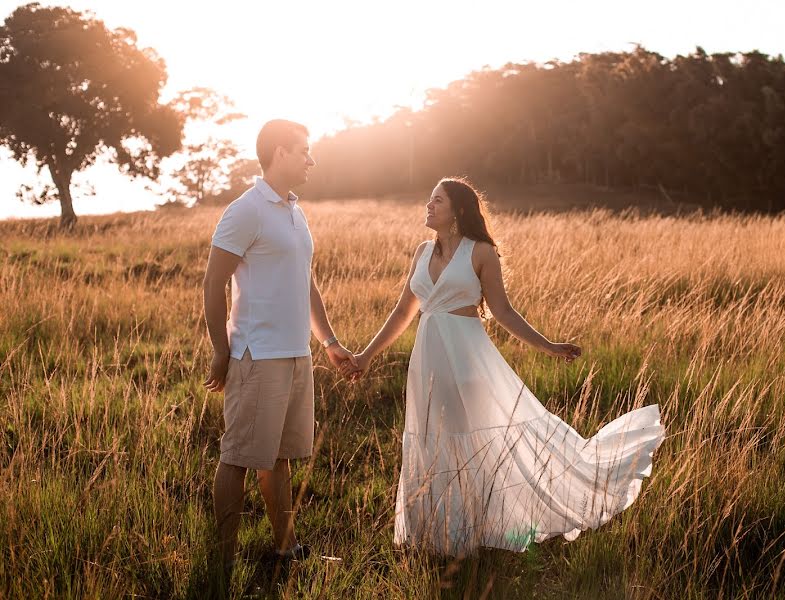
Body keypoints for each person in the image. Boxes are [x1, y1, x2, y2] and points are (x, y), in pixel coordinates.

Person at [344, 177, 665, 556]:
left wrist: (549, 346)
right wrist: (365, 356)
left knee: (470, 446)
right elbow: (402, 312)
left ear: (459, 210)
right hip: (427, 364)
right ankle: (434, 536)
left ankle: (469, 535)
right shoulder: (420, 253)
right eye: (429, 200)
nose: (428, 206)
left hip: (467, 361)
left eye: (437, 201)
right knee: (431, 442)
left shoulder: (480, 252)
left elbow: (504, 312)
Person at [202, 119, 357, 570]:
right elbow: (213, 283)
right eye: (304, 150)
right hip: (256, 355)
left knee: (281, 458)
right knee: (238, 458)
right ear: (279, 152)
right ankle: (221, 563)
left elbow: (304, 280)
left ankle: (284, 549)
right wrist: (220, 349)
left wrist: (327, 339)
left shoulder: (293, 209)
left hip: (295, 354)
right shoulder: (245, 210)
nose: (311, 159)